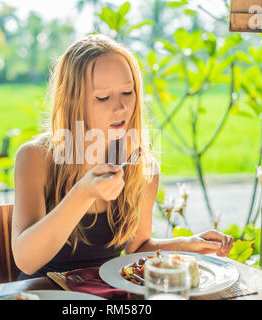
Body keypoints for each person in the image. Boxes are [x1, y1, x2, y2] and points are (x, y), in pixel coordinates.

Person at [12, 34, 234, 280]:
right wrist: (83, 193)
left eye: (128, 92)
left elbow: (137, 249)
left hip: (103, 294)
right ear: (72, 101)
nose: (120, 108)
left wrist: (187, 244)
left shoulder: (142, 168)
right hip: (41, 293)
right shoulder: (36, 158)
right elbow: (27, 260)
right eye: (103, 97)